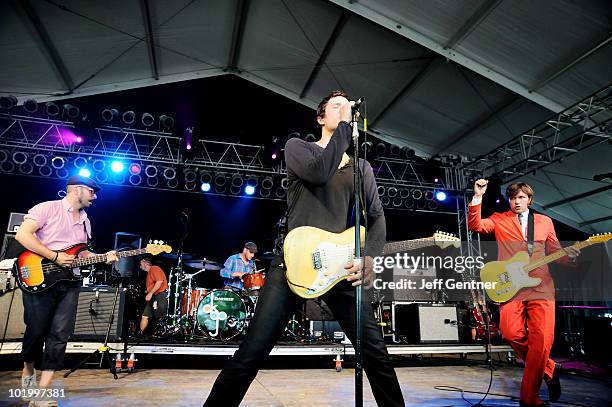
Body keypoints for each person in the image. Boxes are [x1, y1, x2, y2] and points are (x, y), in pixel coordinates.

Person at [203, 91, 405, 406]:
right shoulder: (299, 148)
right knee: (251, 353)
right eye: (336, 106)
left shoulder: (360, 168)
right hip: (291, 265)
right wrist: (342, 130)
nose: (344, 109)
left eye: (346, 106)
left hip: (338, 270)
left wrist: (370, 259)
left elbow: (376, 219)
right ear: (321, 117)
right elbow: (319, 172)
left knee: (376, 353)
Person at [468, 179, 580, 406]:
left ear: (529, 199)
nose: (516, 201)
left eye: (521, 197)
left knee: (540, 343)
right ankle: (549, 367)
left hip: (541, 287)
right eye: (512, 198)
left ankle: (530, 399)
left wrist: (571, 257)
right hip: (511, 287)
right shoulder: (500, 219)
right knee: (510, 333)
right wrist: (478, 196)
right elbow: (476, 226)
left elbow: (556, 252)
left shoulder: (545, 221)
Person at [15, 175, 118, 407]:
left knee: (60, 335)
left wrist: (104, 258)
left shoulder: (86, 220)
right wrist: (54, 256)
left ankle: (41, 394)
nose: (95, 196)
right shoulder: (47, 208)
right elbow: (22, 235)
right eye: (92, 191)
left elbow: (82, 254)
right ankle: (28, 371)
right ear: (78, 190)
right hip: (39, 276)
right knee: (36, 330)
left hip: (70, 283)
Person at [138, 256, 169, 335]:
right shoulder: (150, 272)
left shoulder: (154, 268)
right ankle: (139, 334)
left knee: (159, 317)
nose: (140, 265)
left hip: (160, 295)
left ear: (145, 263)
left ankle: (159, 335)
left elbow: (159, 282)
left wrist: (150, 293)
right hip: (154, 296)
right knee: (145, 315)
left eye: (141, 263)